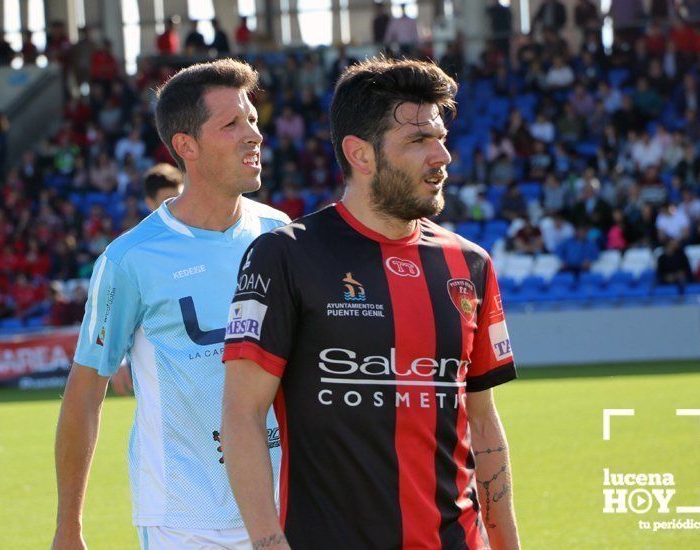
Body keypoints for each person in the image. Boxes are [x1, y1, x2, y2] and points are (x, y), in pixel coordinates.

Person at [222, 57, 520, 550]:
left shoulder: (471, 265)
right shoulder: (285, 255)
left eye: (441, 137)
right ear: (361, 155)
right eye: (419, 140)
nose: (442, 156)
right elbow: (241, 414)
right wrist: (269, 543)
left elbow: (483, 422)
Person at [52, 59, 289, 550]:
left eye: (253, 120)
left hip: (286, 510)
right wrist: (68, 527)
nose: (253, 136)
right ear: (186, 146)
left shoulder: (280, 235)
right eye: (232, 124)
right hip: (184, 522)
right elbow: (85, 389)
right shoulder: (130, 259)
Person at [109, 162, 185, 396]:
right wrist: (119, 360)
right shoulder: (133, 251)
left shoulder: (203, 238)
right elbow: (113, 310)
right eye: (166, 201)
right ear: (149, 203)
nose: (175, 207)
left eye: (179, 198)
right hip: (160, 376)